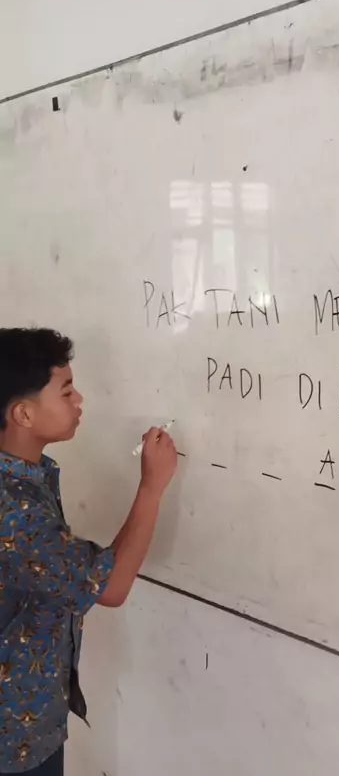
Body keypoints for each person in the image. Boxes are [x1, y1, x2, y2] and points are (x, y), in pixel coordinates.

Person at [0, 328, 177, 775]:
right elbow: (111, 586)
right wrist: (152, 487)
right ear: (23, 413)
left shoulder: (25, 479)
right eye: (66, 391)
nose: (79, 401)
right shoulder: (15, 509)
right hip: (13, 738)